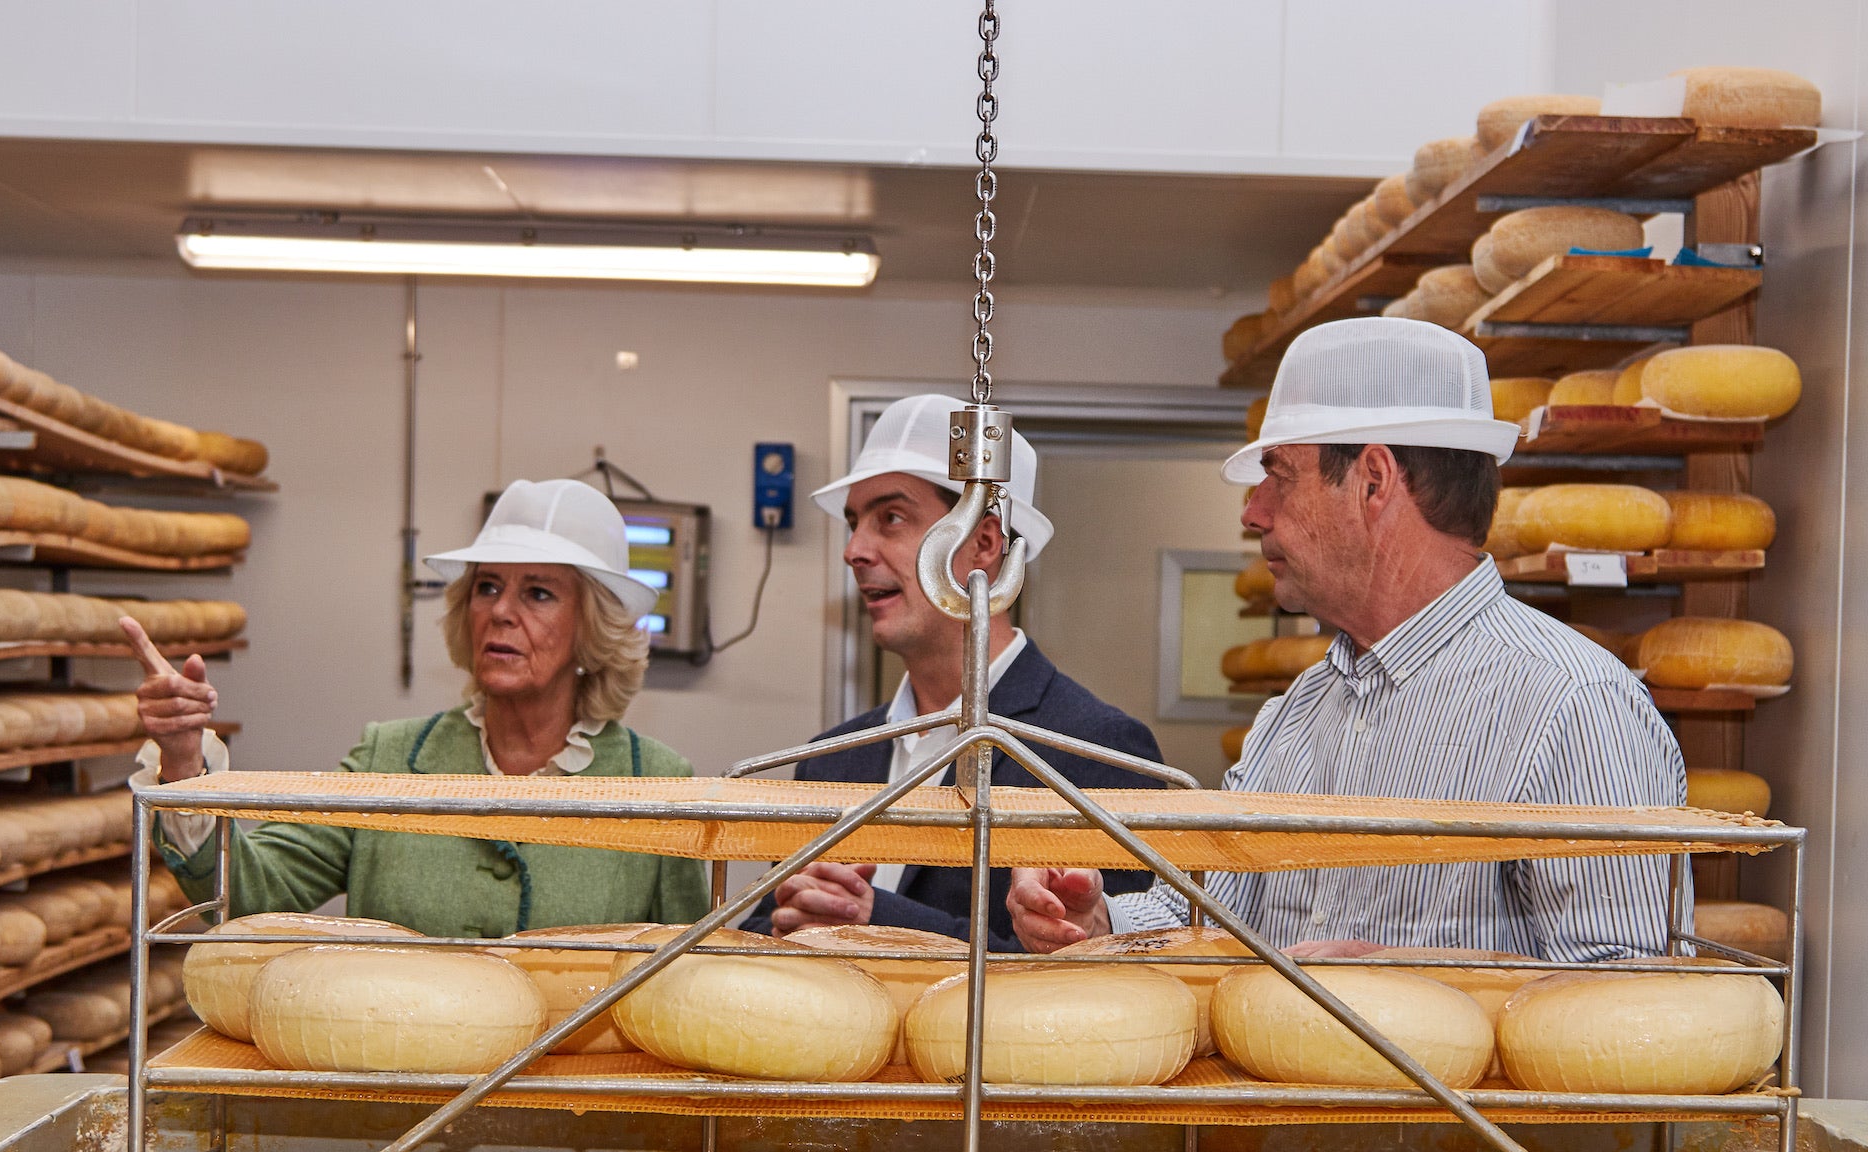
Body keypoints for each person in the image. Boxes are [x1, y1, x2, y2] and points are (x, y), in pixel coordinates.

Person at [1007, 318, 1686, 963]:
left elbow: (1631, 1002)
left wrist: (1406, 978)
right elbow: (1214, 917)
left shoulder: (1575, 706)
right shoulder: (1299, 709)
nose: (1253, 512)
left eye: (1279, 476)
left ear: (1373, 480)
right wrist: (1100, 922)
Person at [130, 478, 708, 935]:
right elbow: (246, 896)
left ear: (592, 627)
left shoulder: (657, 784)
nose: (501, 612)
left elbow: (681, 979)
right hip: (406, 1085)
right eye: (487, 587)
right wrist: (183, 763)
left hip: (577, 1085)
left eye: (538, 593)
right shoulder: (390, 757)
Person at [753, 392, 1167, 950]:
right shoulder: (836, 757)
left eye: (890, 518)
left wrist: (877, 921)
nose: (853, 549)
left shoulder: (1094, 750)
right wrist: (787, 920)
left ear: (985, 543)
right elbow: (760, 928)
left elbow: (1103, 972)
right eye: (854, 523)